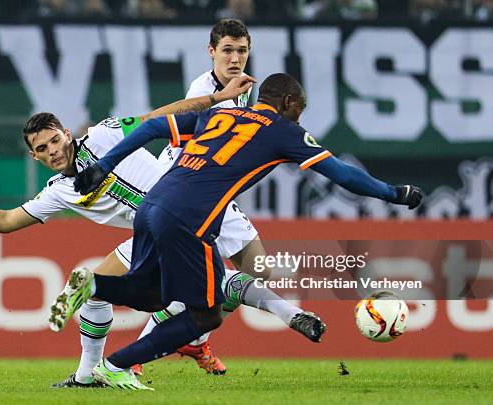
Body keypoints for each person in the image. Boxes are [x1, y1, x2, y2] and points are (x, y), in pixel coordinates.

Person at [0, 76, 321, 388]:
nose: (52, 152)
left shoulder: (106, 132)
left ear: (66, 132)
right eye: (42, 150)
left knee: (253, 274)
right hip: (153, 234)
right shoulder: (59, 192)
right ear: (34, 156)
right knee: (95, 291)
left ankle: (235, 319)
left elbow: (158, 118)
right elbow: (8, 221)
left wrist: (216, 100)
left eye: (55, 141)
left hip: (194, 203)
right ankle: (88, 375)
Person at [69, 73, 424, 390]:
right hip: (191, 219)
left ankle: (95, 284)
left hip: (151, 206)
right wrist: (395, 193)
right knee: (206, 314)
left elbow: (150, 128)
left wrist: (104, 165)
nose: (301, 114)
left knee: (152, 295)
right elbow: (344, 175)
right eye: (301, 107)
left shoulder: (220, 114)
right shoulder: (284, 131)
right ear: (288, 102)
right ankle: (115, 365)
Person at [135, 18, 257, 376]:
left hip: (206, 189)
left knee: (252, 273)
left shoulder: (243, 87)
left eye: (242, 50)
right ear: (211, 52)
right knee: (248, 272)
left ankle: (192, 337)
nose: (235, 58)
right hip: (186, 188)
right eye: (227, 50)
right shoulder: (204, 93)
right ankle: (143, 351)